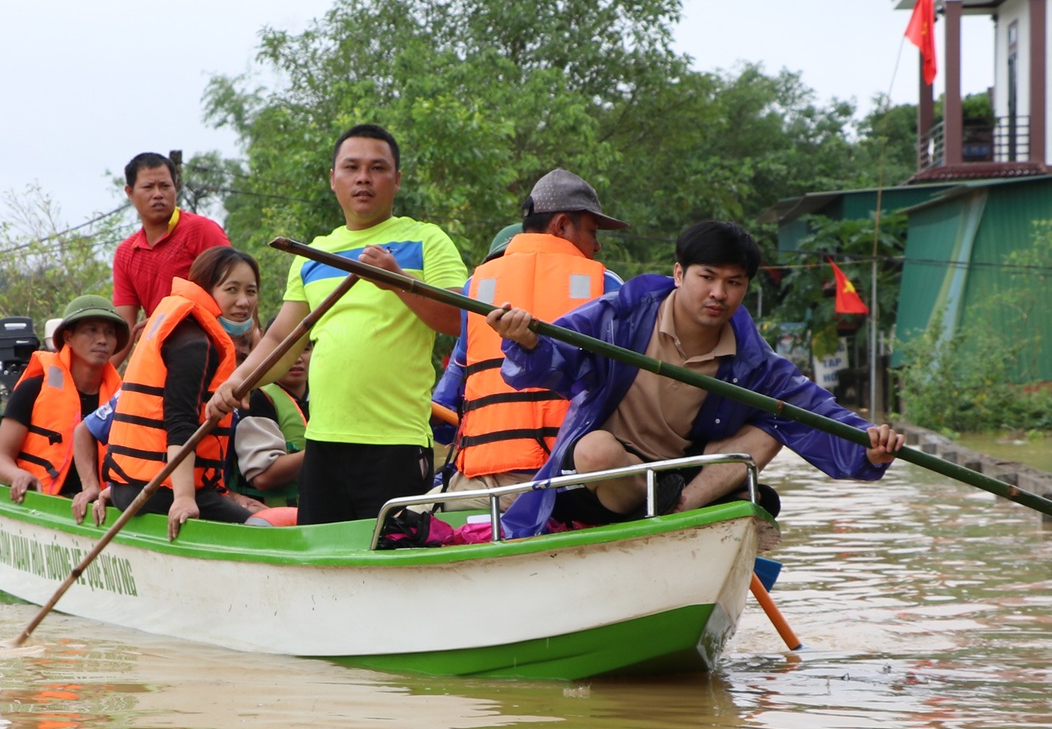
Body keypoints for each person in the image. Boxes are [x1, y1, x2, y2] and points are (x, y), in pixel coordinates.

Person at [486, 219, 904, 538]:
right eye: (707, 277)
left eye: (733, 282)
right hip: (610, 484)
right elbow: (552, 360)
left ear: (744, 288)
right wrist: (526, 341)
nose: (719, 293)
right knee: (593, 449)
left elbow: (813, 410)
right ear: (680, 273)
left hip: (683, 480)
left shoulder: (753, 360)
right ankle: (661, 509)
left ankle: (682, 510)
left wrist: (870, 446)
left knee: (774, 424)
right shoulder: (619, 316)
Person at [210, 123, 467, 524]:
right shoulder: (314, 254)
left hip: (395, 443)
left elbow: (459, 318)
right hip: (322, 446)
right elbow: (283, 337)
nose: (363, 177)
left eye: (377, 167)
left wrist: (397, 281)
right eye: (351, 167)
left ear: (397, 180)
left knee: (391, 565)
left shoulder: (426, 240)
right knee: (323, 567)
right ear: (333, 179)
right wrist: (238, 380)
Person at [433, 171, 625, 505]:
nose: (597, 245)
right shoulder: (607, 286)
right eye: (592, 232)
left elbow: (443, 415)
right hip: (570, 482)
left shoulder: (476, 287)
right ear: (562, 225)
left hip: (481, 486)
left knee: (407, 517)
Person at [101, 246, 253, 538]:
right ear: (204, 288)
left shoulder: (177, 326)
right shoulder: (195, 343)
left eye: (251, 291)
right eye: (231, 289)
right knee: (259, 526)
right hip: (158, 491)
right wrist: (184, 497)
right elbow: (179, 421)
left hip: (129, 484)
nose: (243, 302)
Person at [0, 295, 129, 501]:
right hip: (42, 503)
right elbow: (0, 458)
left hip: (99, 509)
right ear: (68, 337)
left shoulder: (123, 398)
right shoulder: (33, 388)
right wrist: (18, 476)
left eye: (110, 333)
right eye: (91, 330)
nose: (102, 339)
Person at [110, 152, 231, 345]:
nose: (158, 194)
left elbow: (232, 294)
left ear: (175, 187)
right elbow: (125, 329)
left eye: (165, 186)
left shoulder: (202, 231)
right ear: (130, 192)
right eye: (148, 187)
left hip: (208, 344)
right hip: (158, 350)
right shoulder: (126, 253)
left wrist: (171, 317)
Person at [229, 345, 310, 508]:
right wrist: (325, 450)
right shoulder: (257, 400)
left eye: (305, 349)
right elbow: (263, 477)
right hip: (272, 516)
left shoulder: (322, 396)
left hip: (319, 510)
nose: (297, 358)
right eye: (288, 350)